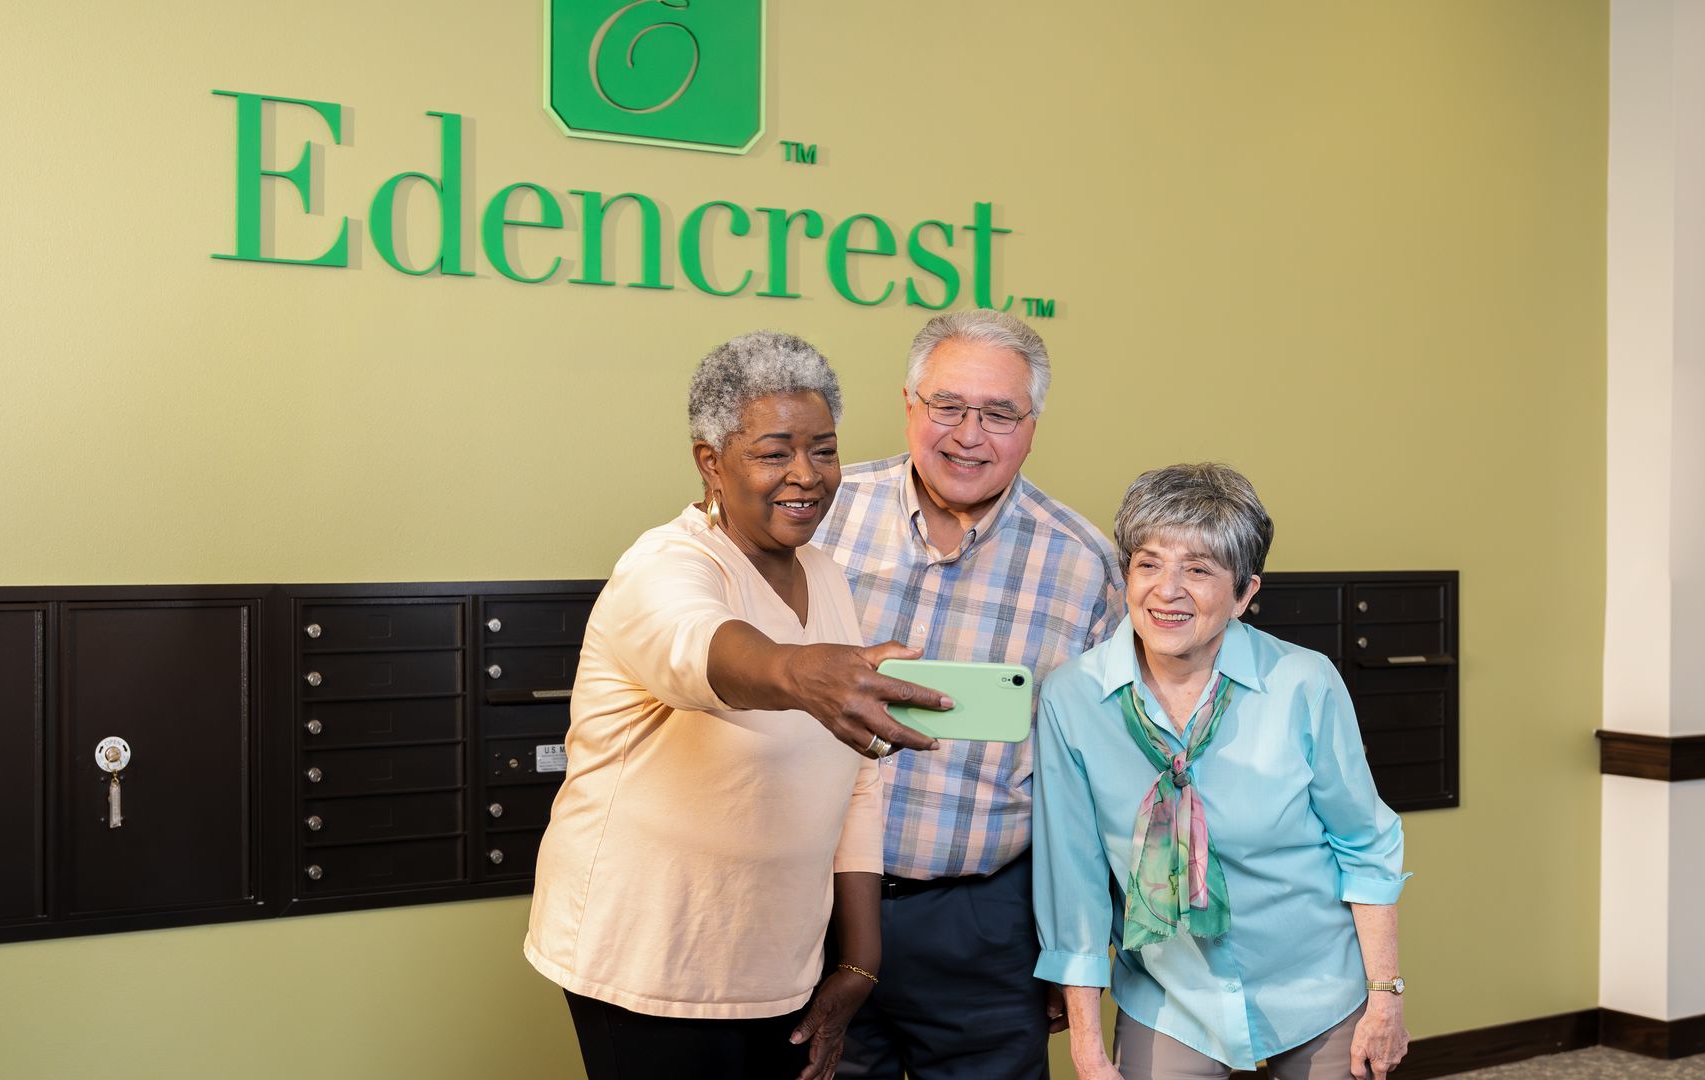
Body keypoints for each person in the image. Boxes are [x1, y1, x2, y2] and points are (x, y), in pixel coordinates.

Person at [525, 331, 953, 1080]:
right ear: (710, 461)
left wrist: (860, 957)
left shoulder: (823, 574)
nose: (807, 475)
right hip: (649, 961)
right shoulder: (664, 566)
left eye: (823, 450)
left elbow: (857, 778)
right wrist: (799, 674)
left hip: (778, 962)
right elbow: (697, 646)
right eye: (774, 451)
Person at [815, 309, 1125, 1079]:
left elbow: (1101, 778)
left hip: (984, 923)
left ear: (1033, 424)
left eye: (999, 413)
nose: (968, 434)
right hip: (808, 908)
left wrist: (1074, 948)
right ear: (908, 403)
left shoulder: (1084, 563)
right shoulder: (819, 510)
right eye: (947, 406)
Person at [1033, 463, 1411, 1080]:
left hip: (1316, 986)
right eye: (1148, 564)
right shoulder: (1072, 697)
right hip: (1171, 996)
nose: (1167, 590)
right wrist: (1087, 1049)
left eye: (1199, 569)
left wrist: (1385, 996)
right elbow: (1070, 884)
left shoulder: (1302, 682)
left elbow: (1364, 843)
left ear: (1245, 593)